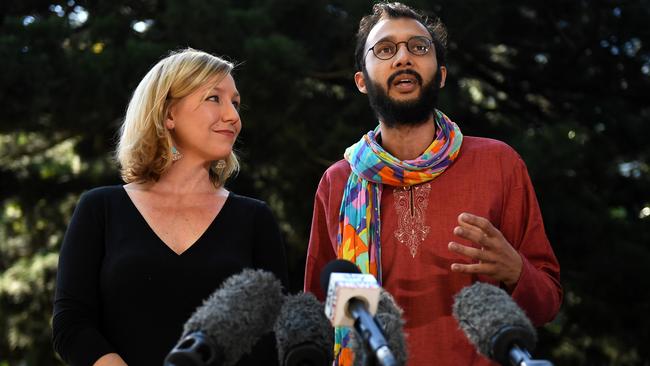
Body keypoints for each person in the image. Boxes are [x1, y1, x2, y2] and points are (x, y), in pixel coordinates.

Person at [303, 3, 562, 365]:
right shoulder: (338, 182)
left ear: (440, 75)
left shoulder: (498, 163)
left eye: (419, 47)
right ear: (362, 80)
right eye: (385, 49)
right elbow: (317, 315)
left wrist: (516, 270)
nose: (404, 58)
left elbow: (548, 302)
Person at [52, 48, 288, 365]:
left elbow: (275, 334)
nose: (233, 116)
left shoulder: (255, 218)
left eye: (235, 102)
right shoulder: (100, 208)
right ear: (168, 114)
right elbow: (71, 324)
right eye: (214, 98)